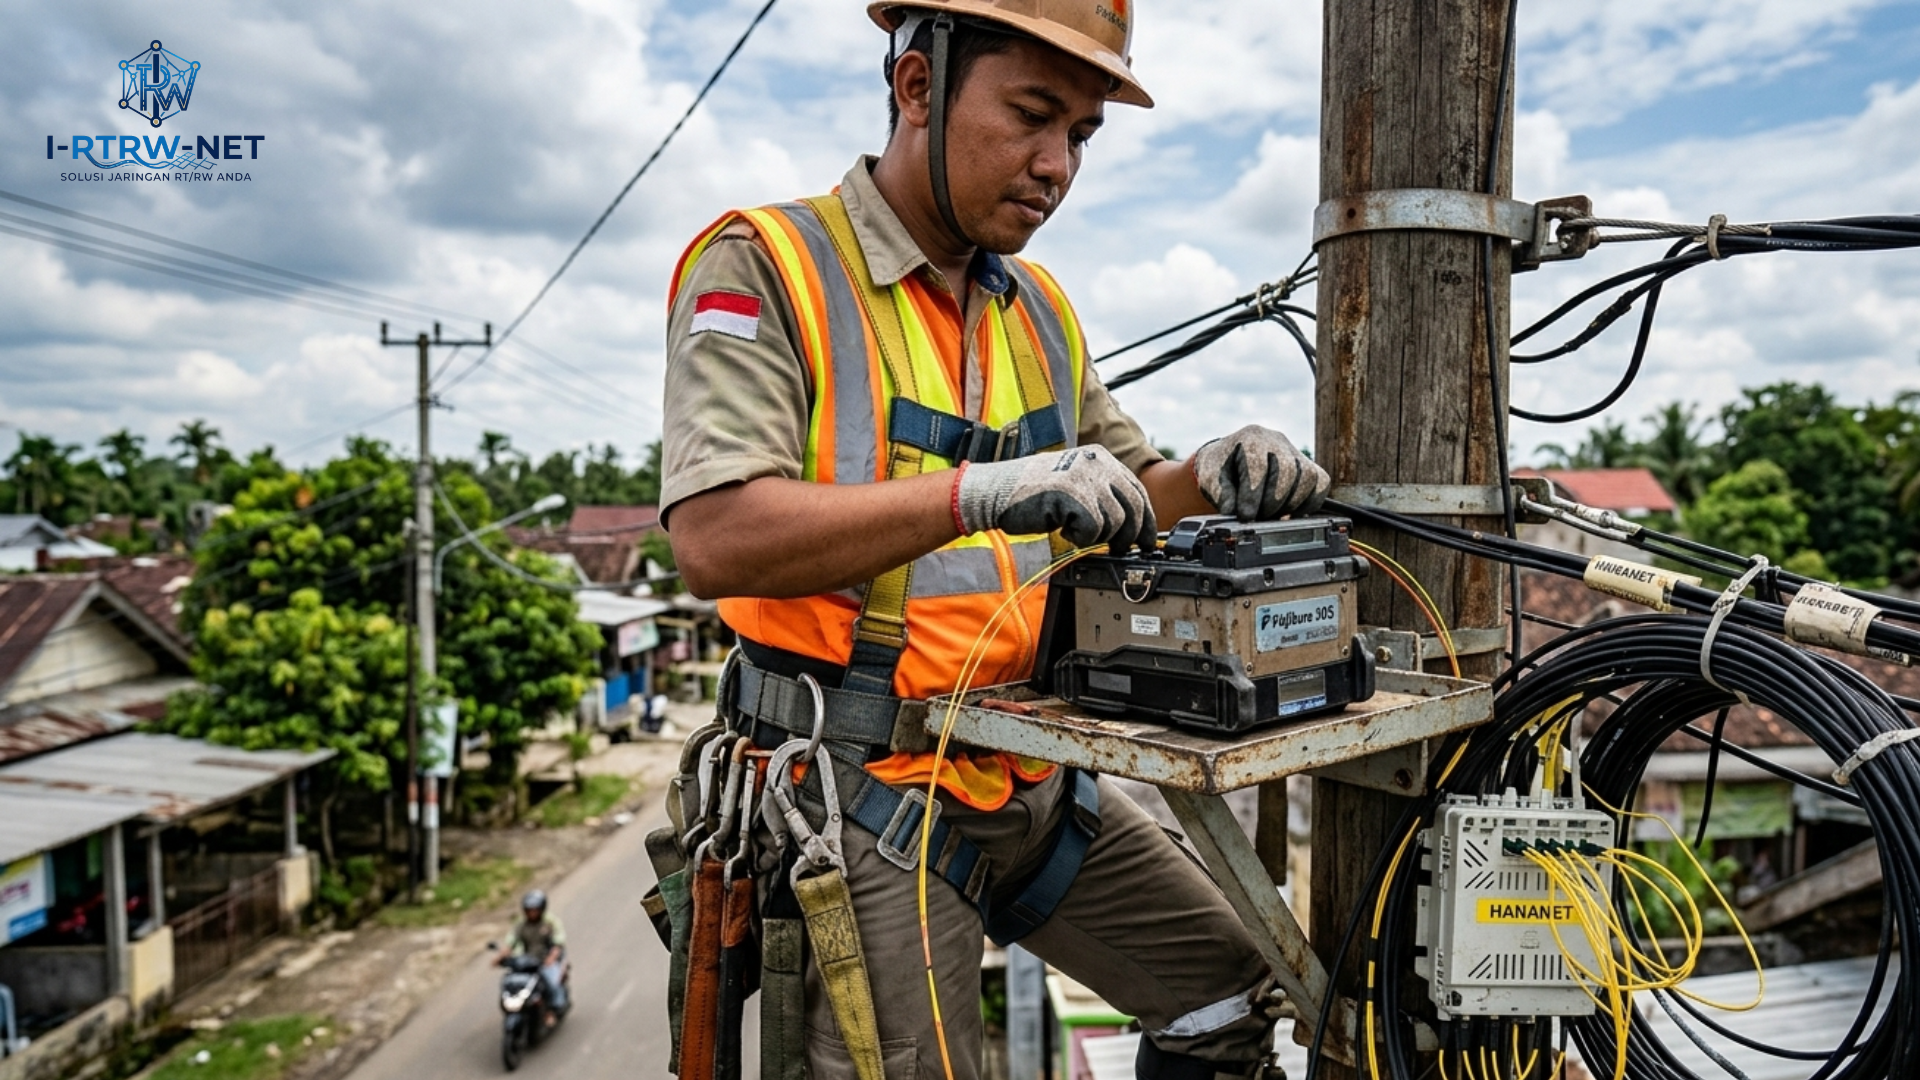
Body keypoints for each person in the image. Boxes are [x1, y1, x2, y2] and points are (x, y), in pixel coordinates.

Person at [660, 3, 1329, 1078]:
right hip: (858, 783)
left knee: (1228, 996)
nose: (1056, 164)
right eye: (1031, 116)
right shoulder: (766, 266)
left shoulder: (1038, 313)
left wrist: (1213, 470)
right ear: (918, 87)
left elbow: (1130, 490)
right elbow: (718, 535)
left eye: (1081, 136)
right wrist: (980, 493)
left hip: (1025, 770)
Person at [499, 889, 568, 1021]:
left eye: (535, 910)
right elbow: (511, 941)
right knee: (512, 982)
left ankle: (554, 1008)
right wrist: (502, 955)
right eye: (529, 910)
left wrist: (552, 957)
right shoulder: (521, 924)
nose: (532, 913)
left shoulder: (550, 922)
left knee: (552, 982)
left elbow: (559, 941)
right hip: (527, 961)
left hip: (546, 960)